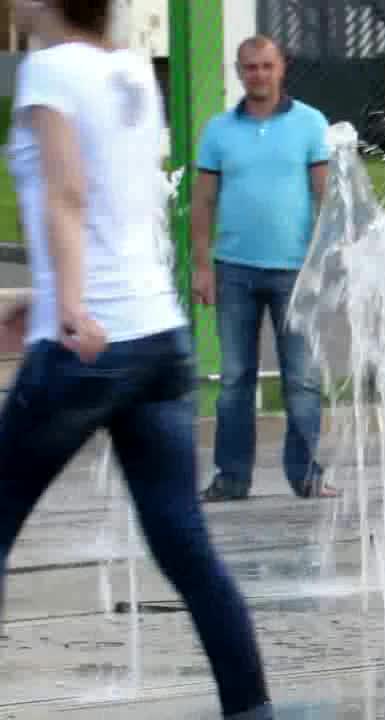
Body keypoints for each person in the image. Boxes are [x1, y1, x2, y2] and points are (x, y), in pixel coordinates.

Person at [0, 1, 273, 718]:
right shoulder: (130, 74)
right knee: (185, 546)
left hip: (87, 345)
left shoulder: (49, 72)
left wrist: (69, 306)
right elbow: (127, 205)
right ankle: (251, 709)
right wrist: (49, 295)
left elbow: (67, 195)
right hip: (157, 338)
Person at [192, 35, 338, 502]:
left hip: (295, 272)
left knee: (302, 379)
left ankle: (306, 475)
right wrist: (201, 266)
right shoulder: (218, 131)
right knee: (235, 379)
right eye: (250, 67)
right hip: (233, 270)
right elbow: (203, 201)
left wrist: (325, 260)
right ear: (239, 72)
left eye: (266, 66)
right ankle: (231, 477)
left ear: (281, 68)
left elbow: (325, 196)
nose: (258, 75)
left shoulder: (311, 123)